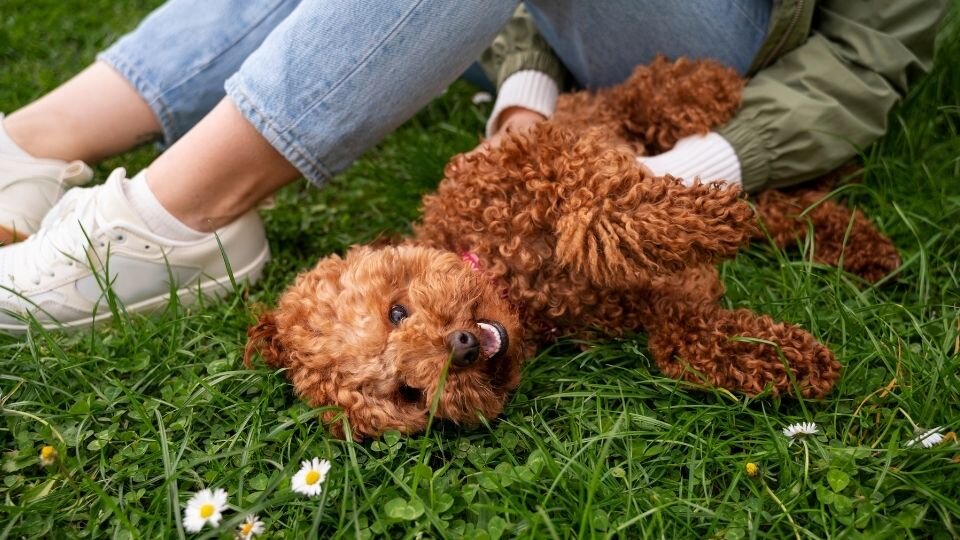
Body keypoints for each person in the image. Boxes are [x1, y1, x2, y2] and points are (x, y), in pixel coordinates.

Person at [0, 0, 946, 332]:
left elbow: (868, 57)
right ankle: (31, 146)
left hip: (722, 52)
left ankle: (185, 215)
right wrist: (526, 103)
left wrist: (686, 169)